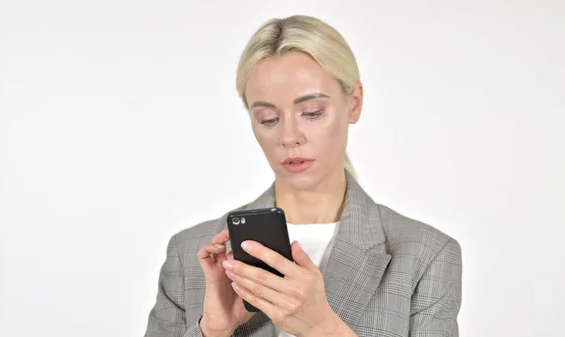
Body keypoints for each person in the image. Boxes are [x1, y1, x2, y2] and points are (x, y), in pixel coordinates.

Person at [144, 15, 462, 337]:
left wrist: (323, 328)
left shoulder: (425, 254)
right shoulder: (190, 252)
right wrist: (211, 330)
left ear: (354, 103)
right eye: (268, 118)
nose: (289, 136)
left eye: (311, 113)